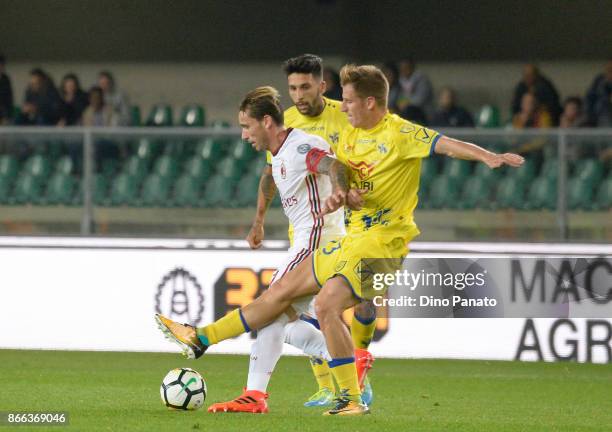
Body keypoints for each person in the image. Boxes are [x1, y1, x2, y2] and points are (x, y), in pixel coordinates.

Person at [156, 64, 524, 416]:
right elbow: (340, 169)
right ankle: (201, 338)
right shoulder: (349, 135)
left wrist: (489, 156)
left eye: (348, 100)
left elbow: (445, 144)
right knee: (279, 294)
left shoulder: (400, 134)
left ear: (369, 102)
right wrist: (340, 194)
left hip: (384, 245)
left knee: (327, 306)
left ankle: (350, 397)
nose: (342, 106)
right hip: (351, 240)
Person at [213, 54, 376, 411]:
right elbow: (271, 174)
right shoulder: (282, 126)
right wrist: (258, 220)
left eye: (305, 86)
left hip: (345, 224)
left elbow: (349, 160)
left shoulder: (345, 115)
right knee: (292, 313)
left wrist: (348, 190)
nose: (298, 95)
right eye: (292, 88)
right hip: (306, 231)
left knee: (316, 306)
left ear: (322, 85)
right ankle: (337, 380)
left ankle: (349, 366)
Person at [397, 56, 433, 121]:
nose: (404, 70)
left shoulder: (422, 79)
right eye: (402, 68)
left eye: (406, 67)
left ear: (412, 67)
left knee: (409, 110)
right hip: (406, 111)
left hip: (423, 113)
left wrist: (406, 103)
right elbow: (400, 98)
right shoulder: (401, 80)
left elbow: (419, 100)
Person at [585, 59, 612, 127]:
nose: (610, 73)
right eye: (608, 70)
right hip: (599, 116)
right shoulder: (600, 81)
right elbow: (589, 100)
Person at [0, 54, 14, 125]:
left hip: (3, 112)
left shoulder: (6, 80)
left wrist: (6, 116)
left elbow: (9, 99)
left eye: (1, 66)